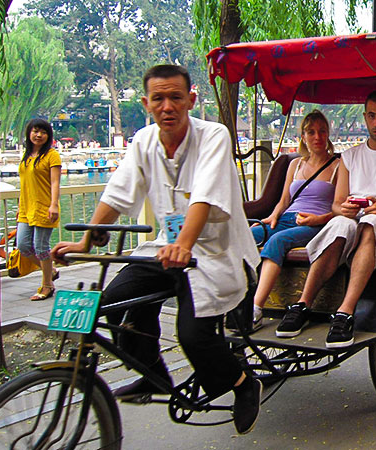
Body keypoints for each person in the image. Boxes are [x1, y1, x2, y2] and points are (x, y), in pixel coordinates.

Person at [50, 65, 263, 434]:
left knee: (194, 337)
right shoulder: (144, 141)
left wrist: (184, 245)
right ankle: (152, 375)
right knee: (114, 305)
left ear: (190, 100)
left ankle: (244, 383)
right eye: (159, 99)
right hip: (166, 248)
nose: (168, 107)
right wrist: (87, 239)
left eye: (176, 98)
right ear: (147, 103)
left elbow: (205, 196)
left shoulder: (213, 135)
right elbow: (119, 191)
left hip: (216, 253)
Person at [275, 90, 376, 348]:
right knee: (339, 225)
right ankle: (303, 303)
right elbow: (337, 204)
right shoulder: (350, 157)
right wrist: (344, 209)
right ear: (365, 117)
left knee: (370, 225)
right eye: (372, 116)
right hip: (353, 216)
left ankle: (345, 311)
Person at [248, 110, 340, 329]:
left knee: (278, 241)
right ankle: (237, 298)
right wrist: (270, 217)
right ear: (303, 136)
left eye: (322, 132)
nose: (317, 137)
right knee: (247, 235)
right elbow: (284, 200)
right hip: (287, 218)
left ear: (328, 135)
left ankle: (256, 308)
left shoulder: (337, 166)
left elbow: (339, 207)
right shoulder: (295, 165)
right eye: (311, 132)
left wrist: (317, 219)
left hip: (316, 223)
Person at [16, 118, 62, 301]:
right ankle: (51, 270)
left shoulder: (51, 155)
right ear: (29, 133)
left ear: (48, 136)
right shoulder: (27, 155)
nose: (38, 135)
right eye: (35, 131)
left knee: (41, 247)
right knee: (23, 246)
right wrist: (21, 207)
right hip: (27, 208)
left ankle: (47, 285)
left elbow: (55, 182)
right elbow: (24, 183)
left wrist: (53, 204)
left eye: (43, 132)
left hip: (44, 207)